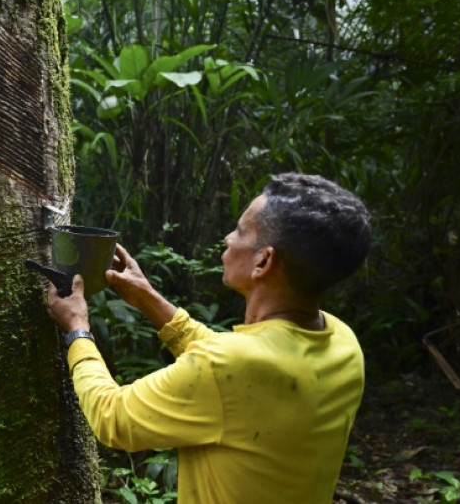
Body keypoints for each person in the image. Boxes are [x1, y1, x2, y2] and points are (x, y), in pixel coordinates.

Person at [48, 173, 371, 504]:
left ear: (264, 260)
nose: (229, 239)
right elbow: (233, 368)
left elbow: (112, 417)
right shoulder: (343, 343)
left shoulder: (229, 365)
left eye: (241, 231)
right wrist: (148, 298)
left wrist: (77, 326)